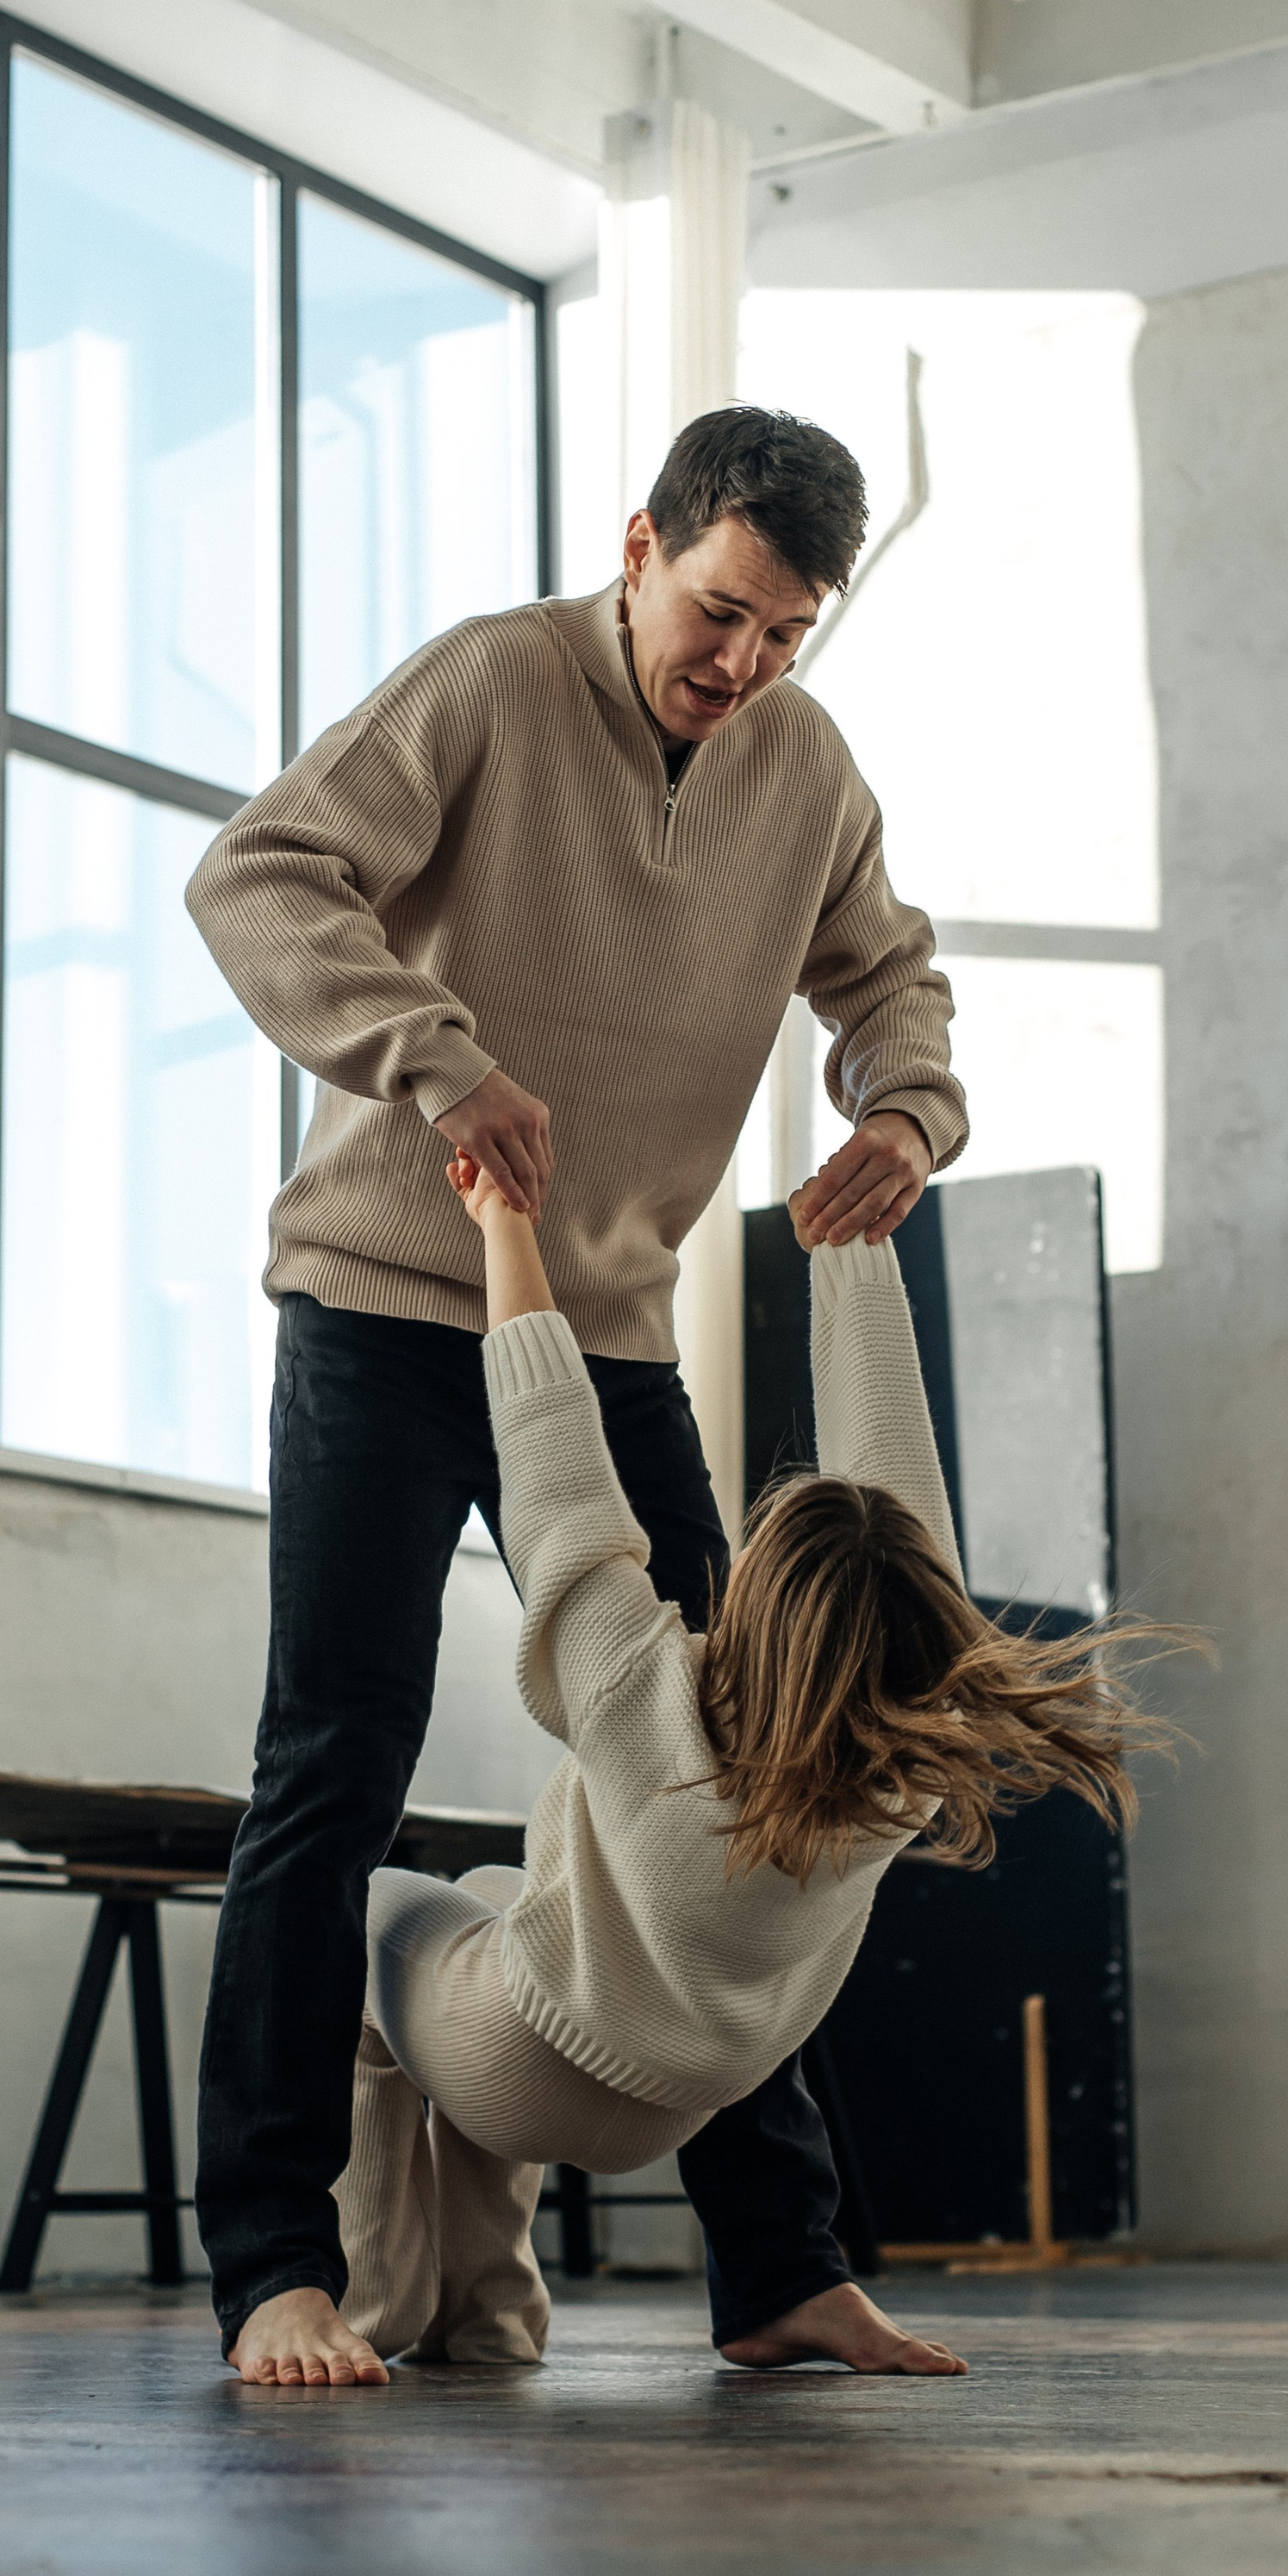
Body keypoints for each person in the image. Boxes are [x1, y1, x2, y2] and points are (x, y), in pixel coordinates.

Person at [186, 404, 968, 2387]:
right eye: (719, 613)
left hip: (608, 1329)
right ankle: (274, 2266)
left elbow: (888, 979)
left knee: (756, 1756)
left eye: (788, 633)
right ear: (637, 545)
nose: (743, 664)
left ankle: (782, 2271)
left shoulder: (801, 766)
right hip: (377, 1300)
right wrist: (432, 1055)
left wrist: (905, 1105)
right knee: (331, 1764)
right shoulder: (485, 686)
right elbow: (259, 874)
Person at [334, 1150, 1157, 2372]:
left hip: (527, 2060)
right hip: (676, 2103)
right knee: (503, 1905)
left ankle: (374, 2297)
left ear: (764, 1605)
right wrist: (853, 1255)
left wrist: (504, 1220)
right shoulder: (897, 1772)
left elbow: (552, 1452)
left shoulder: (643, 1691)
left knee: (348, 1923)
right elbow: (900, 1510)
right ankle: (490, 2310)